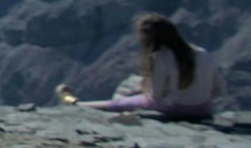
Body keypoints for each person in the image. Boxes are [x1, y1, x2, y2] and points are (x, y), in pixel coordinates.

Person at [73, 13, 225, 119]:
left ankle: (78, 105)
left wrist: (143, 90)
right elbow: (219, 89)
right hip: (204, 109)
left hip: (175, 109)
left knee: (120, 100)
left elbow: (156, 96)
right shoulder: (202, 52)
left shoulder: (161, 57)